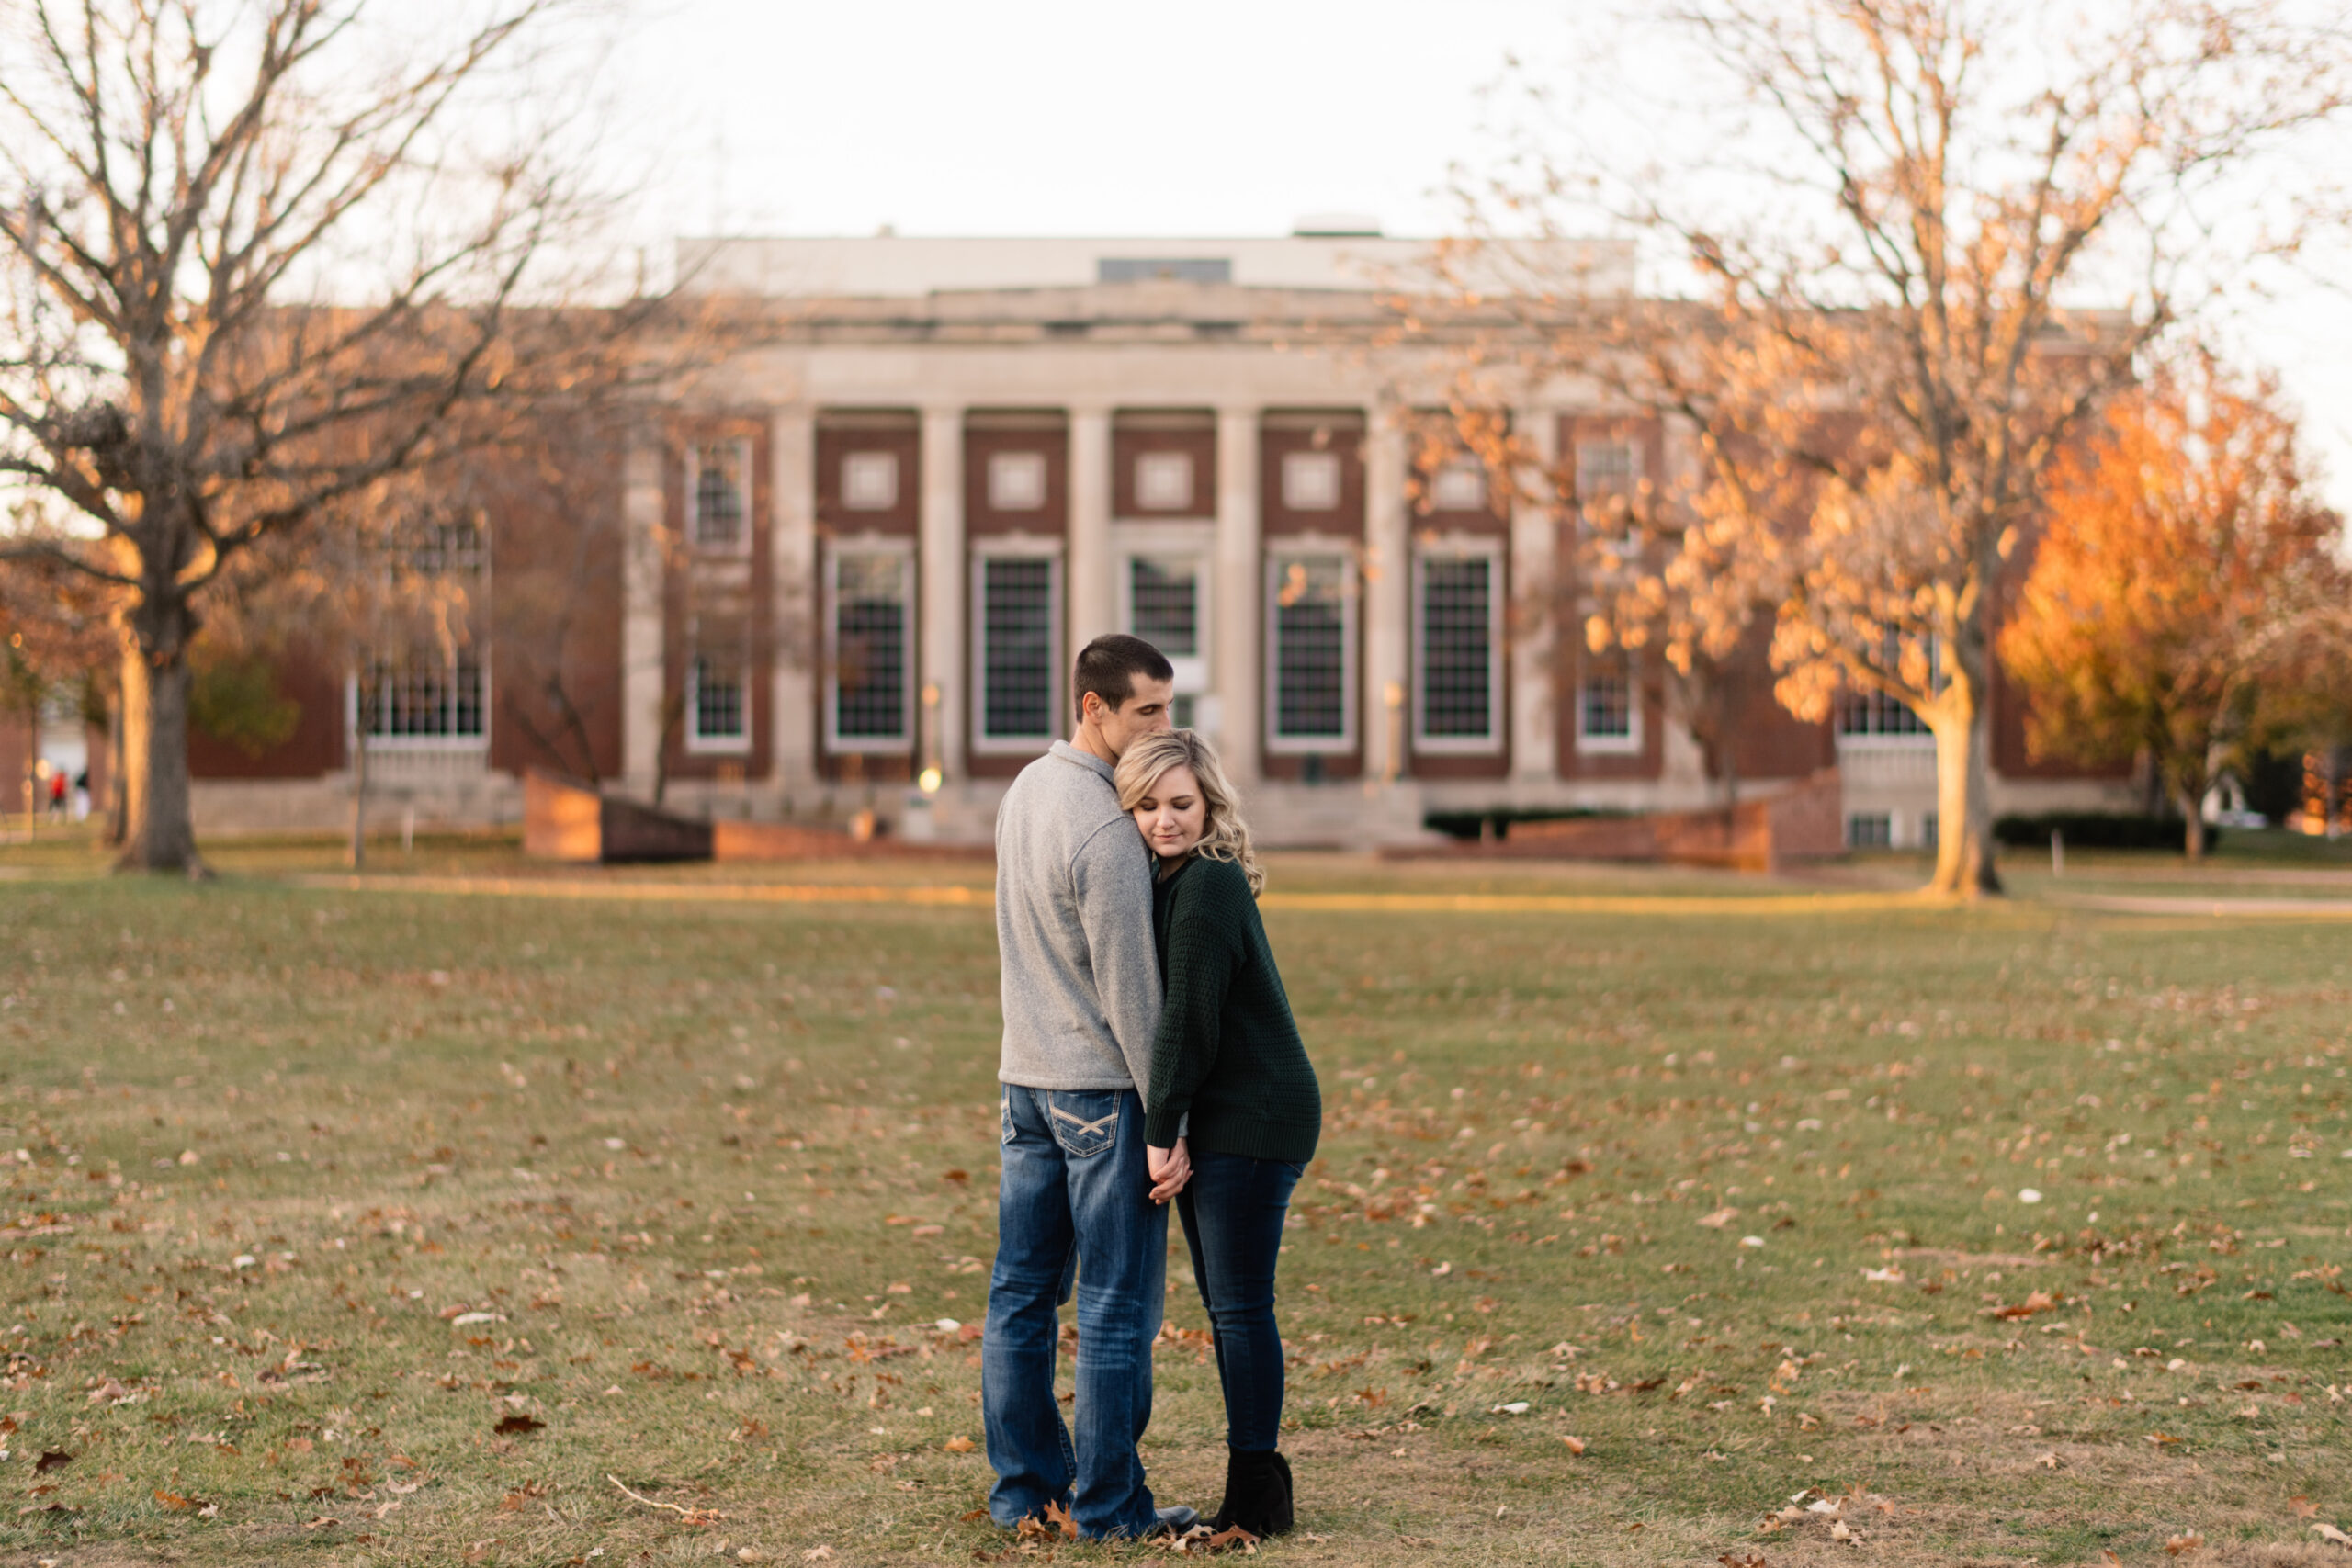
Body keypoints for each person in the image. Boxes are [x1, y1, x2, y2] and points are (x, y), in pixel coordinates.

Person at [983, 633, 1193, 1540]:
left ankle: (1026, 1495)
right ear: (1093, 709)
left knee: (1020, 1297)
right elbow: (1133, 996)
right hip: (1100, 1094)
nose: (1162, 726)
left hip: (1023, 1081)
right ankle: (1109, 1509)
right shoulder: (1108, 827)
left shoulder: (1026, 788)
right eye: (1145, 711)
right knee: (1115, 1305)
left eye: (1168, 708)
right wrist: (1168, 1120)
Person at [1114, 728, 1320, 1539]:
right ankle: (1260, 1479)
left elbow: (1187, 1028)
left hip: (1255, 1114)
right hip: (1233, 1108)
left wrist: (1162, 1131)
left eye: (1181, 804)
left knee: (1239, 1308)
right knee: (1230, 1304)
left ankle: (1259, 1495)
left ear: (1209, 805)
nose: (1165, 820)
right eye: (1147, 805)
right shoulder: (1175, 878)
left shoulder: (1202, 889)